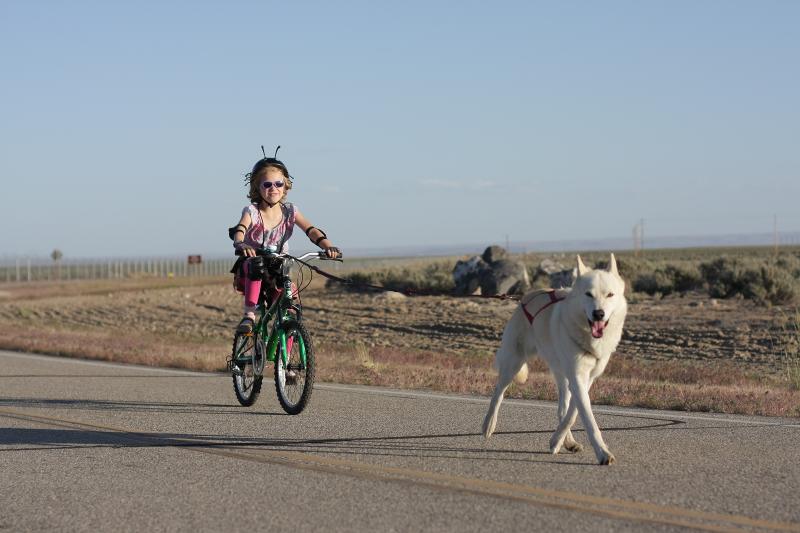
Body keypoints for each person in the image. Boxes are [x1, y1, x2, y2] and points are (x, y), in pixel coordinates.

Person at [230, 150, 340, 335]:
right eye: (267, 184)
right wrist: (241, 244)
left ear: (286, 186)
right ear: (257, 187)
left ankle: (286, 356)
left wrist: (327, 246)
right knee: (256, 264)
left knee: (291, 303)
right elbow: (240, 229)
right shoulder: (252, 211)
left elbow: (311, 230)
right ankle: (249, 315)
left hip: (278, 267)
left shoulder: (291, 211)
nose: (273, 188)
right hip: (252, 266)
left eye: (278, 183)